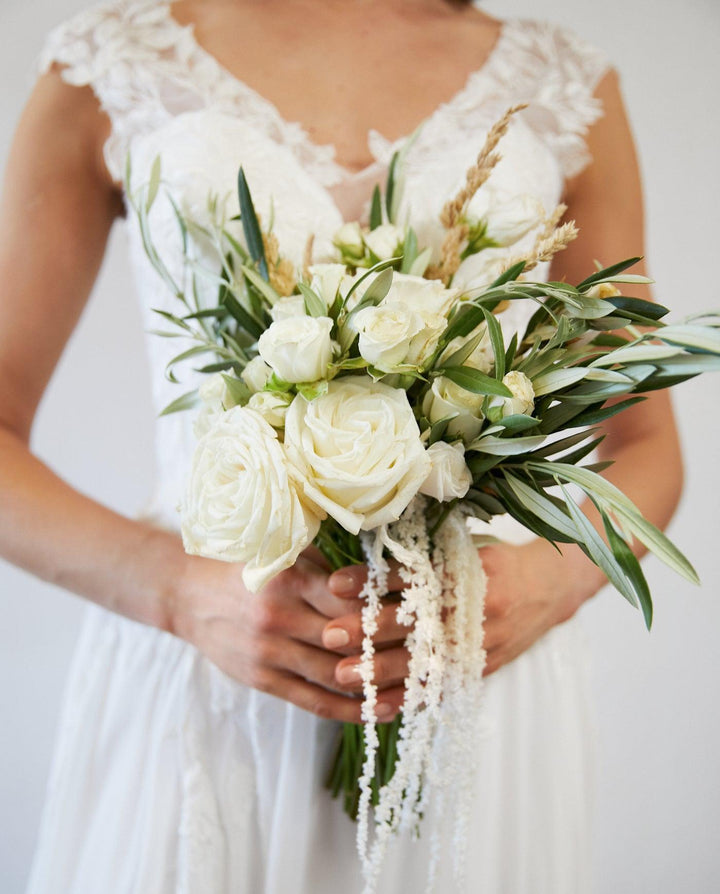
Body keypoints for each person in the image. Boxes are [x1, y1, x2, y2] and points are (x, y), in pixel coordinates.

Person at [0, 0, 683, 891]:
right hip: (214, 665)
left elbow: (645, 438)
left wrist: (548, 583)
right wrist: (176, 592)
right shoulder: (111, 64)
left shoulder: (565, 85)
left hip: (466, 676)